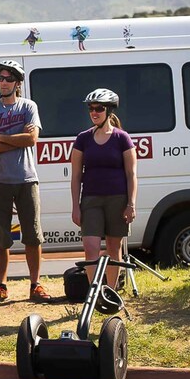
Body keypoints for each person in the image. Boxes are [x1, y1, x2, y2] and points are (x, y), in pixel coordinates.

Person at [0, 60, 52, 304]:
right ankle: (1, 286)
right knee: (1, 236)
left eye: (8, 79)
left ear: (17, 83)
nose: (3, 82)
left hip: (26, 178)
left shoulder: (29, 106)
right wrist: (14, 137)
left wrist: (0, 136)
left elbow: (32, 139)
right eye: (0, 78)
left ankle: (35, 284)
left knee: (32, 234)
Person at [70, 88, 137, 288]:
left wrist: (131, 204)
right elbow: (75, 176)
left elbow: (131, 174)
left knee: (113, 247)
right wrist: (75, 206)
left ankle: (112, 290)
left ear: (108, 111)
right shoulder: (83, 138)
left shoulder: (122, 138)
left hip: (118, 199)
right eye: (91, 108)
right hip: (91, 199)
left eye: (99, 108)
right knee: (90, 247)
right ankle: (94, 293)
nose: (94, 112)